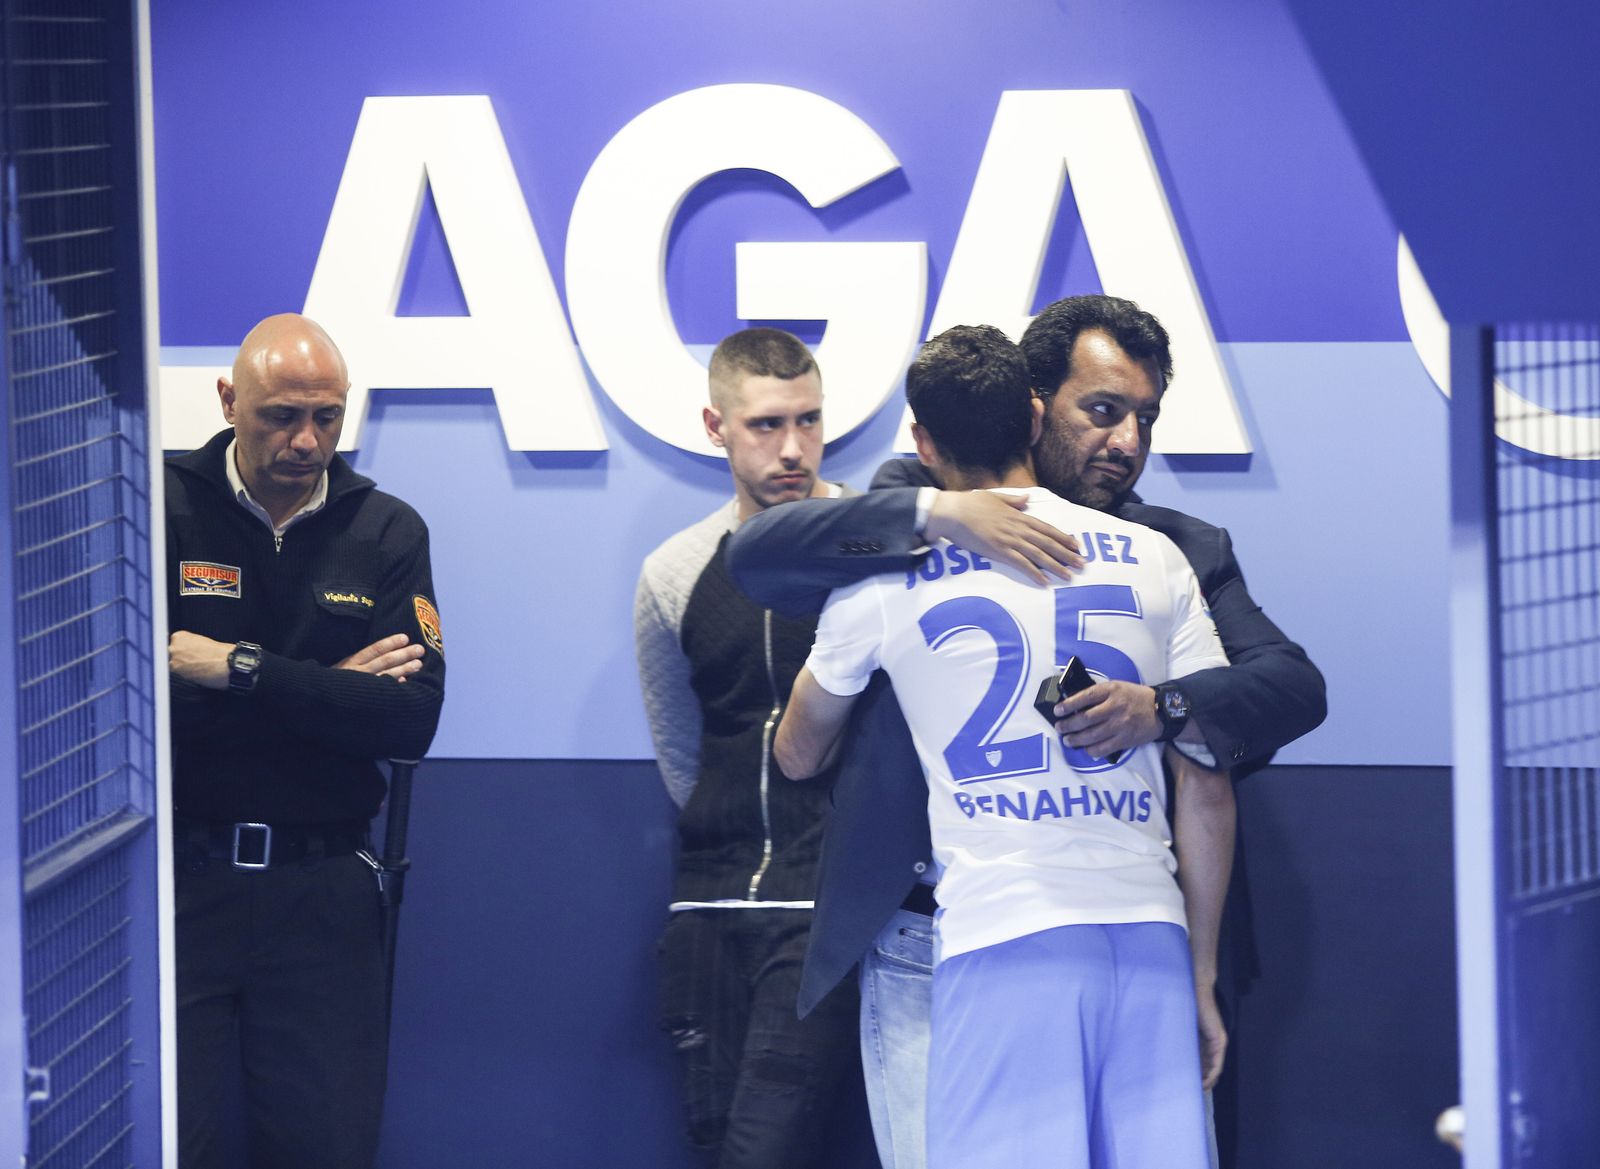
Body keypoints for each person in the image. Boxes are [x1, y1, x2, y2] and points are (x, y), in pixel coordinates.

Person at [727, 295, 1326, 1169]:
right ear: (1036, 407)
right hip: (948, 925)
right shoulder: (907, 519)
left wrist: (1159, 706)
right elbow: (763, 550)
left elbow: (1282, 692)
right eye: (1103, 409)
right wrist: (942, 513)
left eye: (1145, 416)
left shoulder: (1173, 545)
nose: (1125, 439)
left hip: (1050, 927)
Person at [165, 313, 445, 1169]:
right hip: (180, 882)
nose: (306, 439)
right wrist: (335, 688)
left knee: (327, 1147)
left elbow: (408, 722)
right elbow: (134, 699)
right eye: (281, 415)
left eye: (327, 415)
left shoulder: (388, 529)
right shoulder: (159, 504)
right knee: (167, 1141)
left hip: (323, 889)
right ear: (227, 400)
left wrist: (238, 668)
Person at [632, 328, 860, 1168]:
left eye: (809, 420)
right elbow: (683, 754)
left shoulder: (877, 549)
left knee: (762, 1149)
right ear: (714, 425)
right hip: (707, 906)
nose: (793, 447)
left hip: (823, 908)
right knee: (716, 1142)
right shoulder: (673, 572)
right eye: (766, 425)